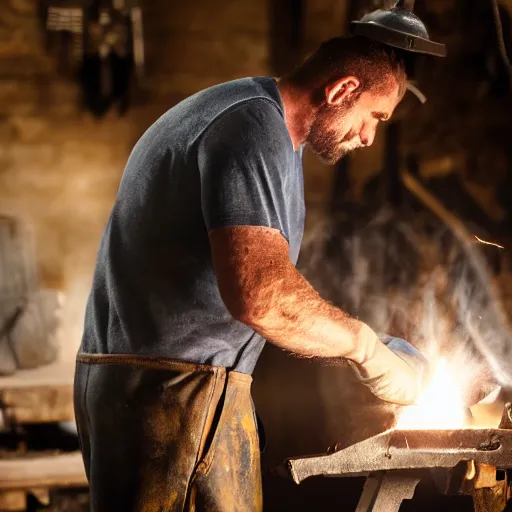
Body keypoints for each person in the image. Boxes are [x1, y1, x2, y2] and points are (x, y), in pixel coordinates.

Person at [74, 34, 428, 511]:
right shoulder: (252, 129)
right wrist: (367, 350)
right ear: (342, 90)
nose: (369, 137)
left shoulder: (249, 116)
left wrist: (369, 345)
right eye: (374, 116)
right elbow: (262, 295)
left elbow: (265, 281)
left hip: (171, 390)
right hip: (171, 398)